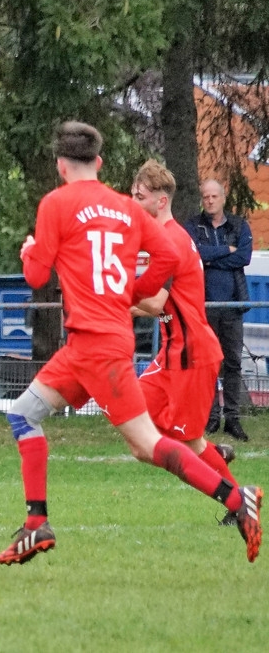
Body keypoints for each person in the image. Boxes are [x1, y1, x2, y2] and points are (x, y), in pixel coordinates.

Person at [0, 122, 262, 566]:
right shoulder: (124, 207)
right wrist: (129, 292)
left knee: (147, 443)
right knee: (23, 414)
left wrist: (29, 251)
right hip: (90, 343)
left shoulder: (56, 203)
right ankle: (36, 523)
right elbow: (168, 257)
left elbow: (37, 276)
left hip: (98, 347)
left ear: (61, 166)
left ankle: (237, 500)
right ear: (99, 162)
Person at [129, 160, 242, 524]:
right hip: (172, 352)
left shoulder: (171, 240)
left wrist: (110, 300)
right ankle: (212, 456)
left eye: (140, 196)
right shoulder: (163, 237)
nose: (134, 202)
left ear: (161, 201)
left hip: (191, 354)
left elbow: (155, 304)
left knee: (184, 444)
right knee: (137, 431)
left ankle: (238, 503)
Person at [185, 179, 253, 442]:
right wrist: (225, 250)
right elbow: (194, 255)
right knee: (207, 364)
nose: (210, 201)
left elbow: (244, 257)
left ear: (223, 198)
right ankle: (211, 417)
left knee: (233, 362)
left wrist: (211, 260)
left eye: (214, 196)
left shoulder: (239, 225)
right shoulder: (193, 226)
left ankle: (232, 419)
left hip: (233, 306)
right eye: (206, 197)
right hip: (203, 306)